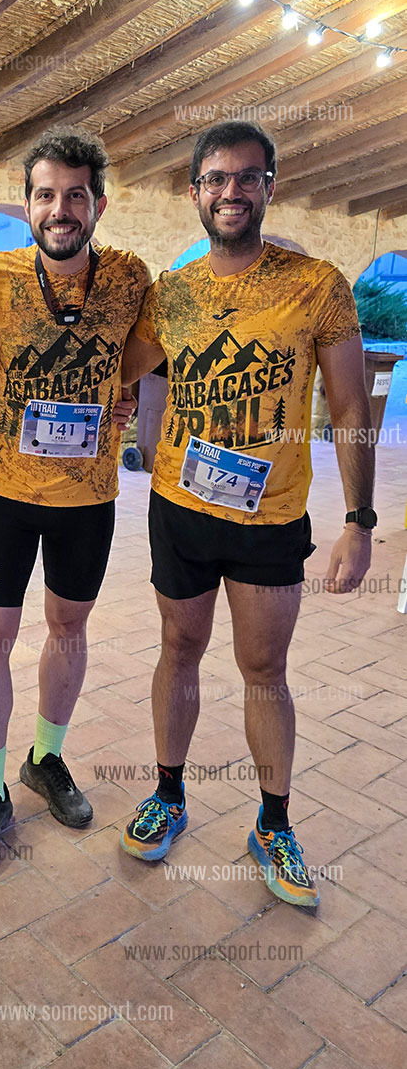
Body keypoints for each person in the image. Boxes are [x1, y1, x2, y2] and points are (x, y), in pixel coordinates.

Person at [117, 119, 374, 907]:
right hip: (180, 508)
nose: (231, 191)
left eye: (246, 177)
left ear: (268, 187)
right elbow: (130, 371)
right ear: (194, 191)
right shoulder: (170, 293)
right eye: (216, 178)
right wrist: (135, 433)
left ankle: (273, 821)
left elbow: (349, 405)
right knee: (178, 649)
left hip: (270, 518)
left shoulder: (316, 283)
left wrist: (359, 521)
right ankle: (167, 794)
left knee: (263, 670)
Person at [0, 127, 150, 878]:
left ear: (98, 204)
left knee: (68, 628)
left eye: (74, 195)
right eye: (45, 195)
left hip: (88, 499)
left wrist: (122, 397)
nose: (59, 209)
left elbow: (145, 355)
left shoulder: (129, 277)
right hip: (3, 496)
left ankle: (45, 758)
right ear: (28, 202)